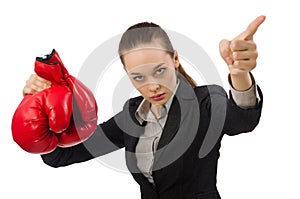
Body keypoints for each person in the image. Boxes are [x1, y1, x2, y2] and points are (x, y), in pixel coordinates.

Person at [22, 15, 265, 199]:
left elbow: (242, 121)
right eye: (138, 77)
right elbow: (62, 155)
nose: (152, 86)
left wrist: (240, 73)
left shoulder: (206, 101)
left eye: (159, 71)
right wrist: (38, 106)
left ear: (175, 59)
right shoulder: (132, 115)